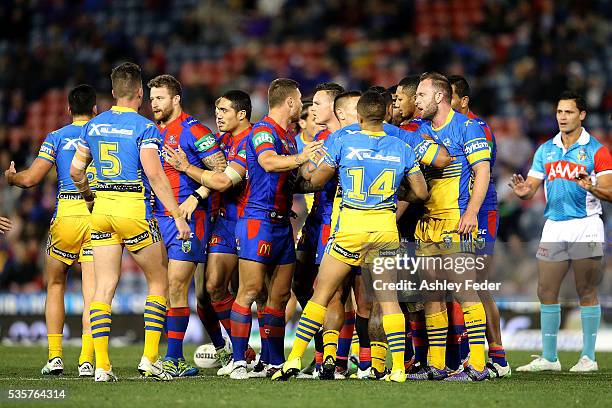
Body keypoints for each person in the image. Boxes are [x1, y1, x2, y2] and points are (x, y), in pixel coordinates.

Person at [273, 90, 429, 383]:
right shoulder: (401, 146)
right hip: (384, 229)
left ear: (358, 116)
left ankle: (294, 359)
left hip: (350, 229)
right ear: (384, 115)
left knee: (322, 294)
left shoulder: (343, 140)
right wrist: (395, 193)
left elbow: (317, 179)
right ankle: (397, 369)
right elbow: (421, 193)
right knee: (389, 301)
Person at [69, 62, 191, 382]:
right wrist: (177, 214)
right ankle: (150, 358)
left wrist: (87, 195)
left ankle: (102, 366)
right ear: (140, 92)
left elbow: (76, 171)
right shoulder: (144, 127)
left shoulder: (92, 126)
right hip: (133, 208)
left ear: (112, 93)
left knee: (103, 287)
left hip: (102, 211)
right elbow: (153, 172)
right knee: (158, 280)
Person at [224, 78, 321, 379]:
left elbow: (293, 178)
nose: (302, 103)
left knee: (279, 297)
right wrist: (302, 158)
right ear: (290, 102)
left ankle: (273, 362)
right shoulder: (263, 130)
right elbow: (267, 162)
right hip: (258, 220)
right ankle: (239, 360)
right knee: (250, 290)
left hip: (281, 223)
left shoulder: (289, 137)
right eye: (300, 98)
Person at [512, 91, 612, 373]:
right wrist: (524, 191)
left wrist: (591, 186)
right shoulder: (545, 149)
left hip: (586, 225)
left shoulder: (597, 150)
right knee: (545, 290)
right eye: (559, 112)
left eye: (568, 112)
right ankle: (549, 357)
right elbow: (531, 185)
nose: (563, 117)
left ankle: (588, 358)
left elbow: (610, 190)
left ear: (582, 115)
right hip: (554, 225)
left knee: (586, 290)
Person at [5, 84, 98, 377]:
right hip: (97, 214)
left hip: (67, 215)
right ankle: (86, 360)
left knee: (55, 284)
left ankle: (55, 357)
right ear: (95, 110)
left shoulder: (57, 137)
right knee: (94, 293)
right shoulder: (102, 132)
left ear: (68, 110)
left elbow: (31, 179)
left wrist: (12, 178)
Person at [163, 90, 257, 373]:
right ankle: (235, 352)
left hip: (253, 221)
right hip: (224, 221)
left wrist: (186, 169)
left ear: (241, 114)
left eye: (224, 111)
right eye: (216, 110)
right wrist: (199, 196)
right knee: (211, 289)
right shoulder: (224, 140)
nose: (218, 116)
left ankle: (262, 355)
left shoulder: (253, 138)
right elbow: (216, 179)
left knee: (257, 293)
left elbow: (224, 180)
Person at [408, 72, 491, 382]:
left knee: (464, 290)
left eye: (421, 95)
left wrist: (471, 212)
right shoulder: (420, 129)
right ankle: (438, 365)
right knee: (432, 294)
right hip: (426, 223)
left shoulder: (468, 127)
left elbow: (482, 172)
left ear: (439, 97)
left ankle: (479, 365)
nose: (417, 101)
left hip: (456, 222)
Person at [147, 74, 226, 377]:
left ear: (176, 99)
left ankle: (173, 358)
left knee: (177, 286)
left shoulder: (195, 131)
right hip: (158, 219)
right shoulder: (152, 131)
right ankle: (169, 356)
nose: (154, 103)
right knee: (165, 289)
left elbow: (220, 168)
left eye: (160, 98)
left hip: (190, 220)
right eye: (151, 98)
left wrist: (197, 195)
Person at [448, 74, 510, 377]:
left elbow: (479, 174)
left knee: (475, 284)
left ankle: (497, 356)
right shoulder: (452, 128)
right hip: (458, 212)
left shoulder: (476, 129)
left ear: (463, 101)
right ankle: (465, 354)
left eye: (450, 97)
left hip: (480, 211)